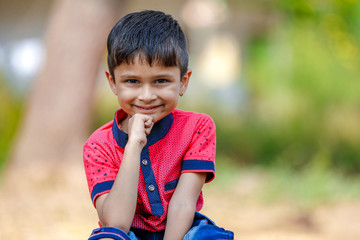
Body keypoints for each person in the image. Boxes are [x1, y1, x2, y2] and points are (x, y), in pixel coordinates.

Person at [83, 10, 234, 240]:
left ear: (183, 82)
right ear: (112, 83)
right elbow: (115, 223)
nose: (146, 96)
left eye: (161, 81)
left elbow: (184, 203)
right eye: (132, 81)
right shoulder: (98, 146)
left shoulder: (197, 128)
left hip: (182, 232)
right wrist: (134, 143)